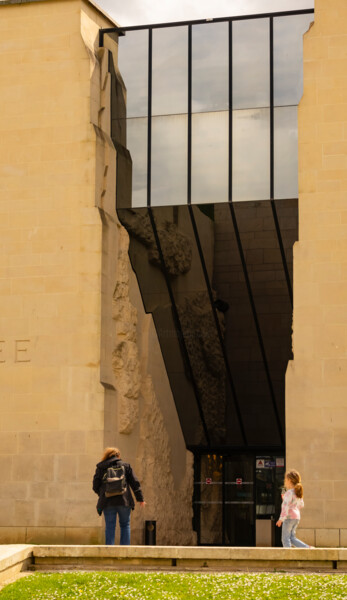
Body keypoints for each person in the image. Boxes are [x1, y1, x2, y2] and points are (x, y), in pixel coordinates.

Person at [92, 447, 145, 545]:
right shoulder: (126, 466)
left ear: (106, 456)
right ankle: (124, 551)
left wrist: (102, 494)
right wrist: (140, 498)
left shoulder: (101, 467)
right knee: (125, 525)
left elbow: (95, 486)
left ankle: (110, 551)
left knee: (110, 526)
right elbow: (135, 483)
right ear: (118, 455)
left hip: (107, 501)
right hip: (124, 501)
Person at [276, 469, 312, 548]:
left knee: (285, 539)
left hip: (289, 518)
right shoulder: (297, 492)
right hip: (296, 517)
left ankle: (288, 557)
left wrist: (281, 519)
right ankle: (307, 548)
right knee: (292, 538)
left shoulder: (289, 492)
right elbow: (301, 505)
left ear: (289, 480)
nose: (285, 482)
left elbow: (285, 506)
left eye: (285, 480)